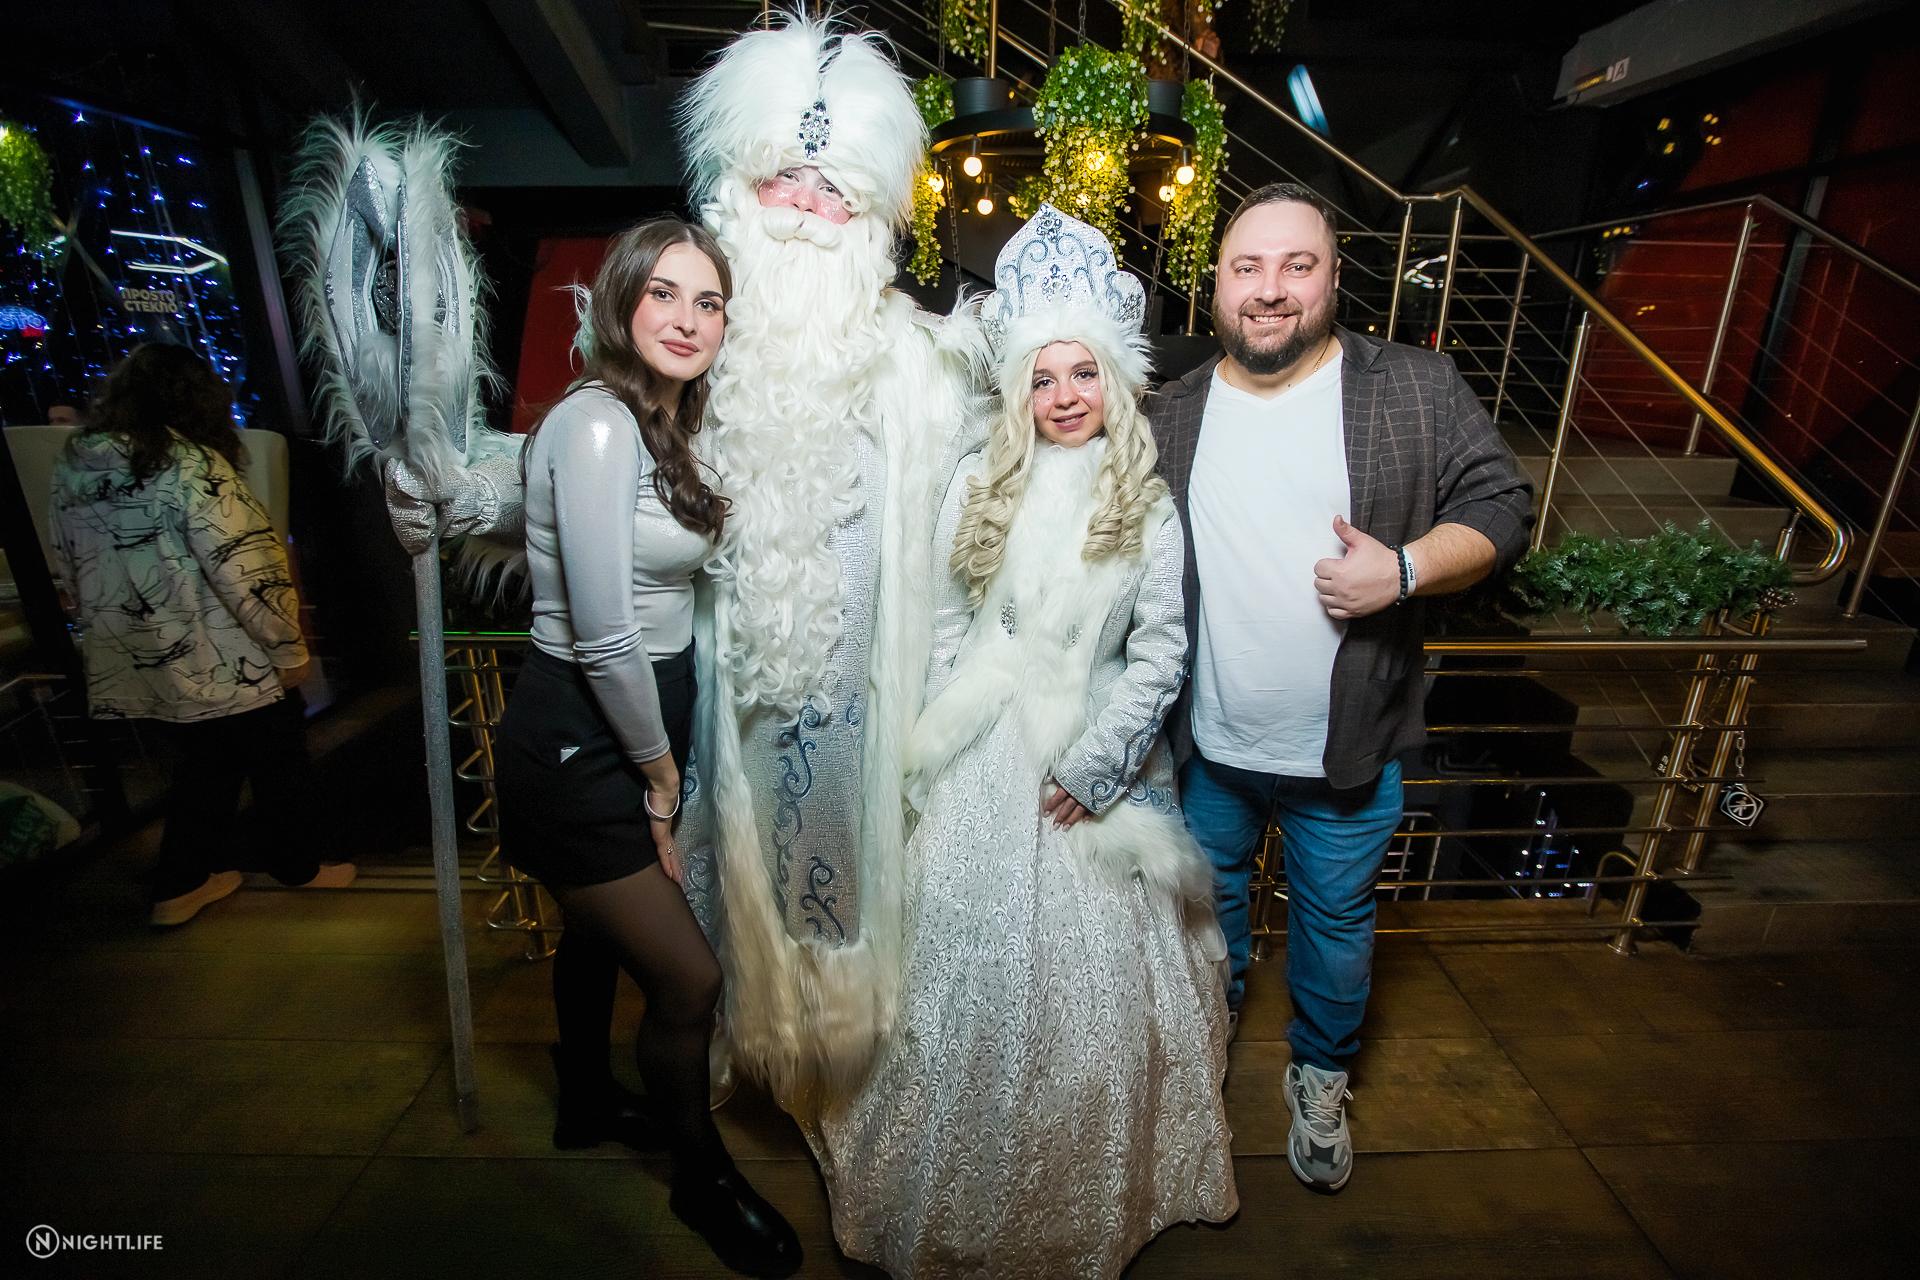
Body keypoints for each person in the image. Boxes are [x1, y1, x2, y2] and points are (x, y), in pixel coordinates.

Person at [391, 12, 985, 1111]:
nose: (804, 209)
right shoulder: (703, 351)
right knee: (691, 922)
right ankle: (703, 1070)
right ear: (736, 194)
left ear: (870, 221)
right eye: (781, 183)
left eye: (832, 193)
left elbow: (988, 504)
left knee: (833, 910)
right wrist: (461, 495)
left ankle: (824, 1070)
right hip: (698, 700)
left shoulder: (918, 365)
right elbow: (586, 469)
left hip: (859, 707)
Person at [818, 206, 1237, 1278]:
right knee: (959, 962)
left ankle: (1082, 1191)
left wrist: (1096, 765)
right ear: (1019, 392)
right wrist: (932, 743)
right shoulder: (977, 483)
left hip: (1090, 757)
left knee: (1092, 1002)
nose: (1064, 395)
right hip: (980, 751)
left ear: (1114, 382)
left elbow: (1160, 654)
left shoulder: (1147, 505)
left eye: (1082, 372)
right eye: (1042, 378)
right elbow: (948, 623)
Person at [1149, 182, 1534, 1194]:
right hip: (1207, 749)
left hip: (1351, 748)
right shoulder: (1171, 411)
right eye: (1247, 267)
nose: (1270, 289)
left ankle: (1320, 1075)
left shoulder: (1412, 386)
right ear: (1216, 284)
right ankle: (1203, 1051)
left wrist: (1402, 570)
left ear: (1334, 277)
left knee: (1336, 931)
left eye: (1297, 265)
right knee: (1203, 924)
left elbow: (1502, 503)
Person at [488, 217, 801, 1278]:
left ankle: (583, 1097)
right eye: (664, 292)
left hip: (633, 713)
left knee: (591, 935)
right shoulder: (598, 422)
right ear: (621, 301)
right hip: (582, 731)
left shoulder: (661, 422)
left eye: (709, 301)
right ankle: (700, 1177)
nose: (687, 318)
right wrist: (660, 778)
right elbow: (603, 632)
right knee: (688, 979)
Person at [47, 343, 355, 928]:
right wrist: (288, 647)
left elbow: (66, 559)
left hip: (133, 654)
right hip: (217, 654)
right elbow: (248, 568)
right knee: (277, 754)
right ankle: (295, 866)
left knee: (206, 764)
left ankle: (183, 883)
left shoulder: (76, 466)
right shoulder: (193, 465)